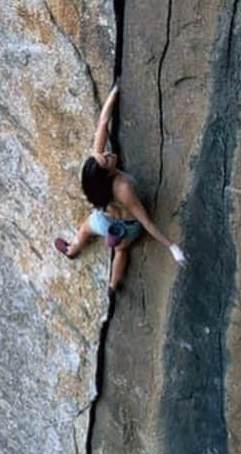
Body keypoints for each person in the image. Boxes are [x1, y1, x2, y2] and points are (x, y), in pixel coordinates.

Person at [54, 82, 186, 316]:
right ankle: (113, 288)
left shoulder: (95, 174)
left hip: (103, 220)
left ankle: (72, 250)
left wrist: (114, 93)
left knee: (85, 229)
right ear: (107, 175)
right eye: (107, 159)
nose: (108, 154)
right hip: (127, 227)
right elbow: (145, 221)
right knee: (121, 252)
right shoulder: (122, 188)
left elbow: (103, 124)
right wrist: (171, 246)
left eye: (104, 155)